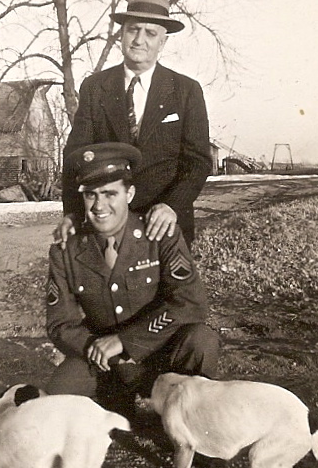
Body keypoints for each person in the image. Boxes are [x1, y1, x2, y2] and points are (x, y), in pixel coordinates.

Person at [46, 142, 219, 418]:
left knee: (201, 340)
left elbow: (190, 304)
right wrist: (97, 348)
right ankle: (117, 402)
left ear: (130, 194)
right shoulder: (66, 248)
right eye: (91, 195)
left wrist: (127, 341)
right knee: (58, 393)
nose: (99, 206)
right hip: (103, 359)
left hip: (159, 352)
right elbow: (60, 324)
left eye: (109, 194)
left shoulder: (159, 234)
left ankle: (189, 421)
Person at [56, 0, 212, 248]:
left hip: (165, 228)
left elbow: (197, 162)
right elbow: (75, 157)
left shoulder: (186, 90)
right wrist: (72, 213)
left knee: (174, 290)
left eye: (150, 33)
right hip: (107, 229)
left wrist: (171, 206)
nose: (140, 40)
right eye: (133, 30)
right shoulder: (95, 88)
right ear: (122, 34)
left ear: (163, 42)